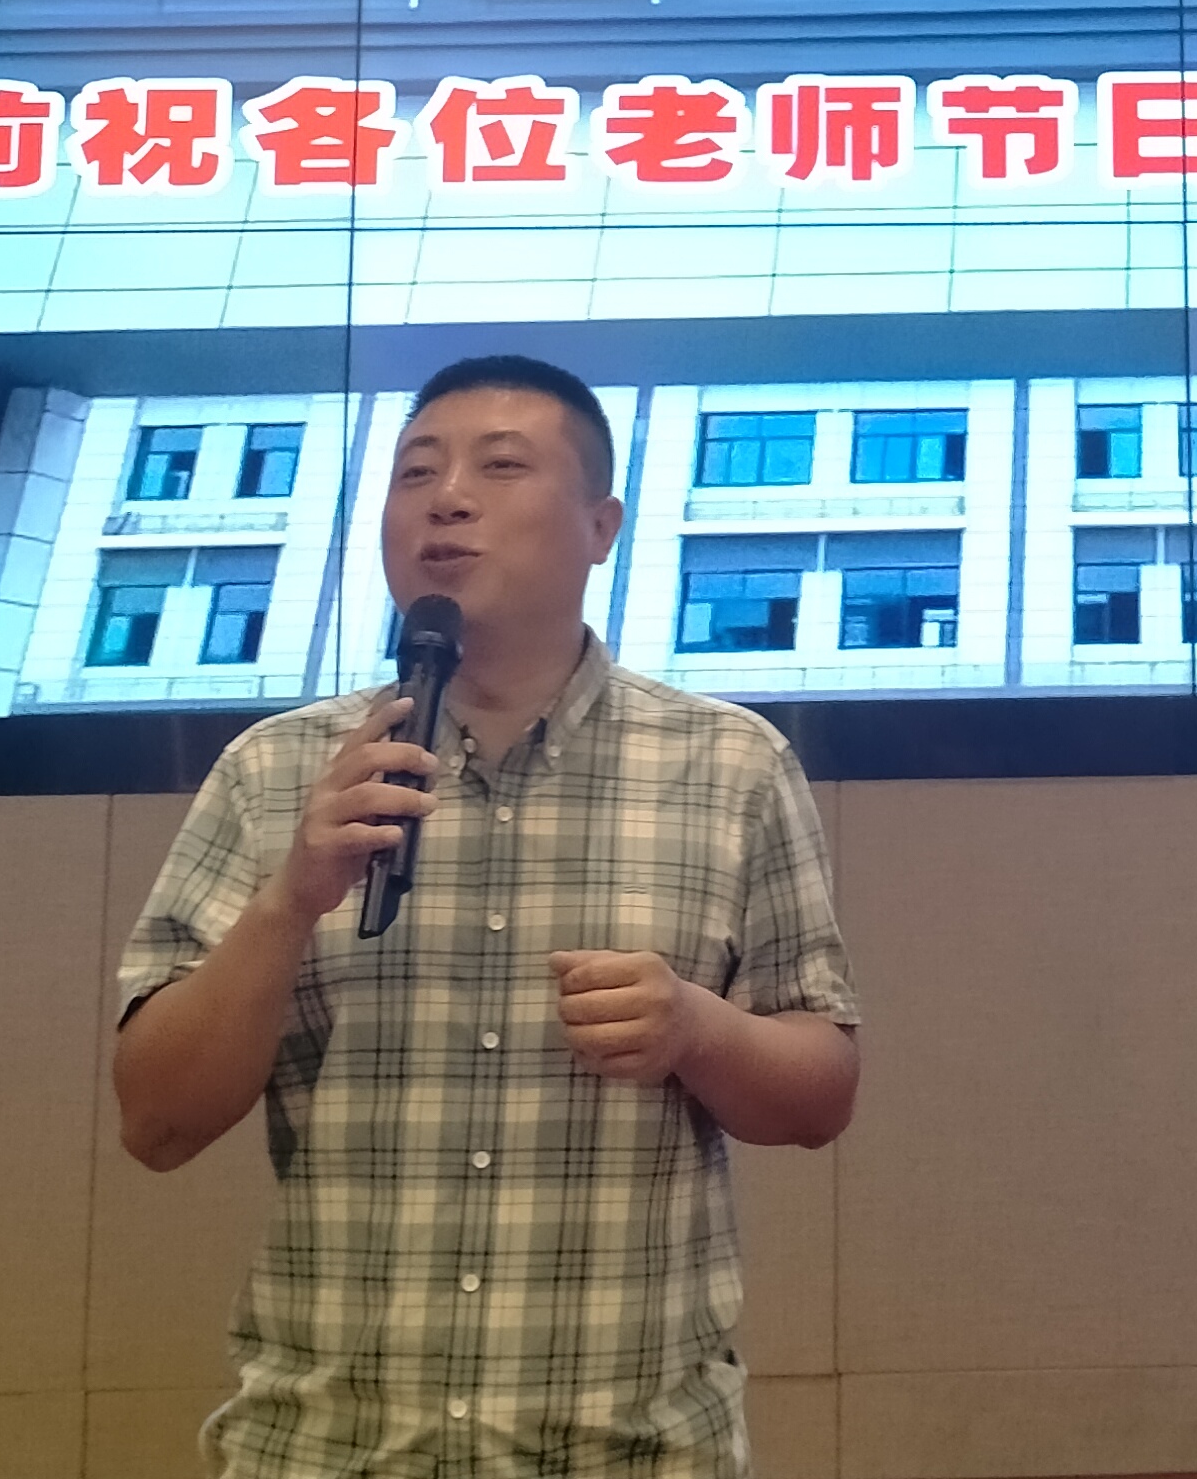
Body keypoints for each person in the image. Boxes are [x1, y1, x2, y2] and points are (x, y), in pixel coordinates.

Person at [114, 353, 860, 1477]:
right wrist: (289, 902)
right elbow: (156, 1123)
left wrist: (695, 1030)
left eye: (500, 467)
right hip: (327, 1451)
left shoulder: (731, 765)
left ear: (601, 526)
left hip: (628, 1455)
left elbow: (821, 1095)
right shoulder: (276, 773)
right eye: (415, 472)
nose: (447, 498)